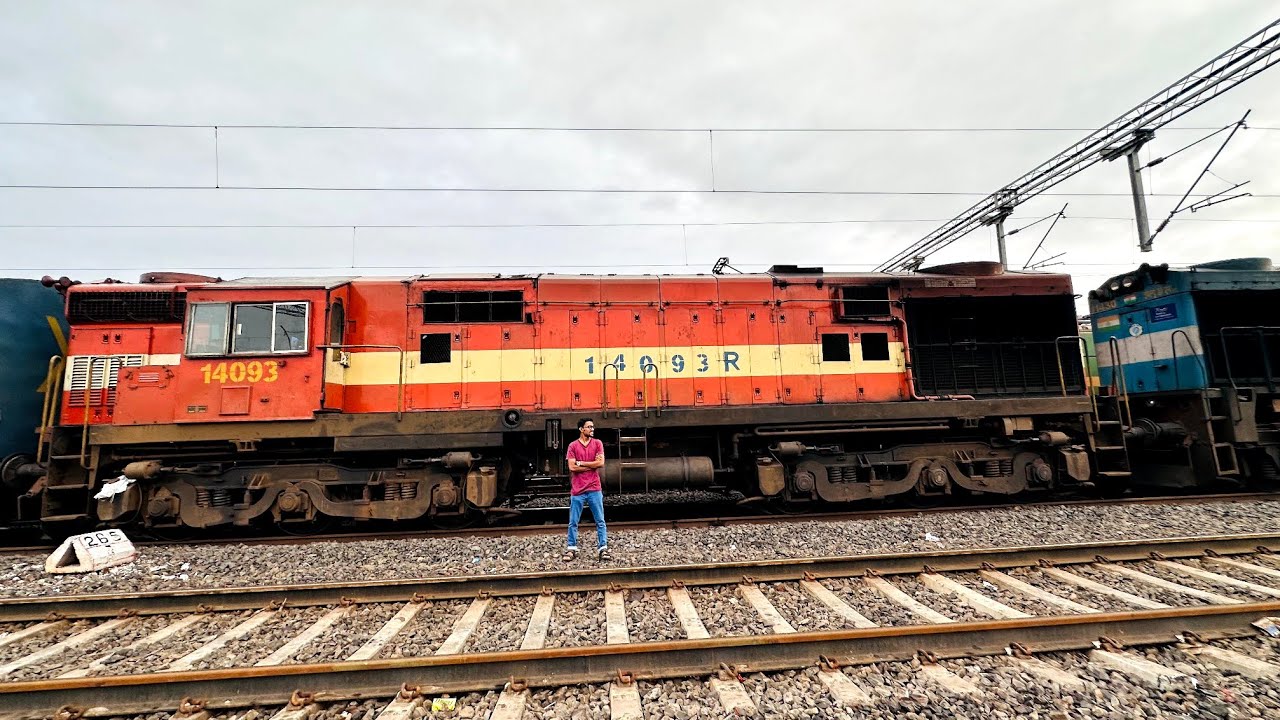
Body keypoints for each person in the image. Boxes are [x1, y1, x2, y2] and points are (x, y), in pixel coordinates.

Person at [563, 417, 609, 562]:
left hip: (594, 488)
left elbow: (600, 463)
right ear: (581, 429)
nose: (592, 429)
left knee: (600, 520)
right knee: (573, 521)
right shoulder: (572, 446)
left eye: (593, 427)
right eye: (589, 427)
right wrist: (592, 464)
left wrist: (581, 463)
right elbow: (571, 467)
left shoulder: (598, 443)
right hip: (578, 490)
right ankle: (571, 548)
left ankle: (603, 548)